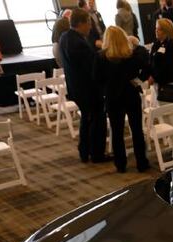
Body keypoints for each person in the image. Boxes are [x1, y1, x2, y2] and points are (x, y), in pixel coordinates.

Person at [93, 26, 151, 173]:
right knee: (137, 130)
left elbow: (96, 79)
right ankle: (142, 162)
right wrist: (138, 80)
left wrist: (106, 88)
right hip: (131, 94)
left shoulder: (101, 57)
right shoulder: (131, 55)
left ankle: (120, 164)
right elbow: (148, 68)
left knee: (117, 132)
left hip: (113, 97)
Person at [59, 7, 108, 163]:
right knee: (97, 120)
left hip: (77, 87)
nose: (90, 26)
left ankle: (85, 150)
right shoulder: (77, 42)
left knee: (87, 119)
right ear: (80, 23)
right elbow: (91, 66)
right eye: (88, 23)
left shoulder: (65, 37)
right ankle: (97, 154)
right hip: (87, 89)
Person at [149, 18, 173, 103]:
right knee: (161, 109)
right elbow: (151, 62)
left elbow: (170, 66)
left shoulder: (172, 45)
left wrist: (154, 77)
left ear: (166, 31)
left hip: (168, 83)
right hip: (157, 82)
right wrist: (150, 75)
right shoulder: (156, 44)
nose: (156, 31)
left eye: (158, 29)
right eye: (156, 28)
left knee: (168, 111)